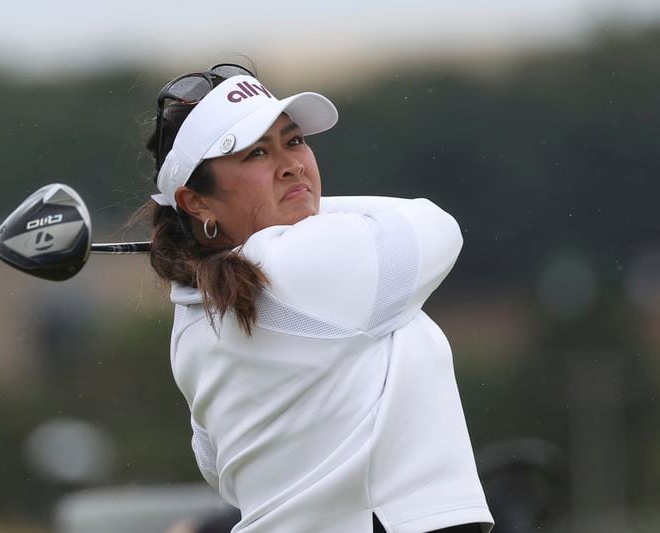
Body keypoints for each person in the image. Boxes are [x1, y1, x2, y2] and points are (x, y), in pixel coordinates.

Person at [145, 63, 494, 533]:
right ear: (195, 201)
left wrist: (274, 209)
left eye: (293, 142)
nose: (290, 163)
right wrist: (307, 203)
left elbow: (215, 464)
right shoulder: (300, 264)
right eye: (255, 155)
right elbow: (437, 226)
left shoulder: (189, 318)